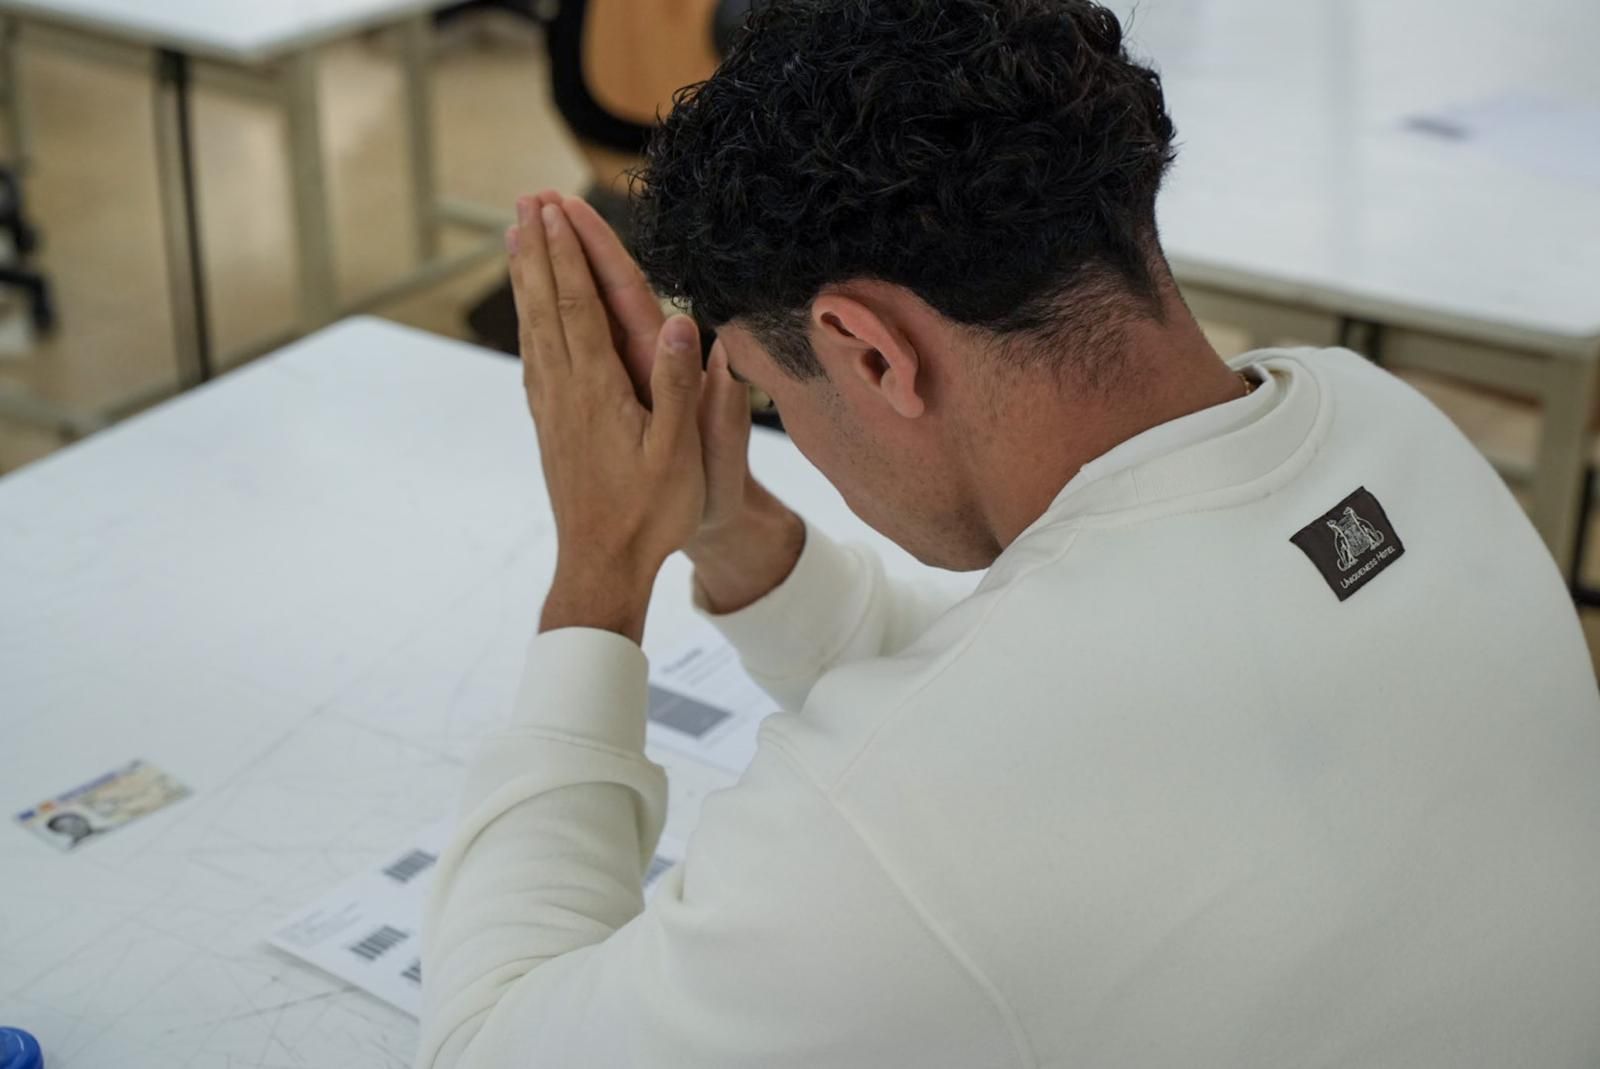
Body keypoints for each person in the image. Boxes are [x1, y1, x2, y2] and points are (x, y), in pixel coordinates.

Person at [419, 0, 1600, 1065]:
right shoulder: (1385, 426)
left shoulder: (900, 831)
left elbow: (486, 1044)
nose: (787, 436)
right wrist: (731, 532)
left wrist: (601, 569)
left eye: (769, 397)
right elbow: (1026, 689)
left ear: (872, 351)